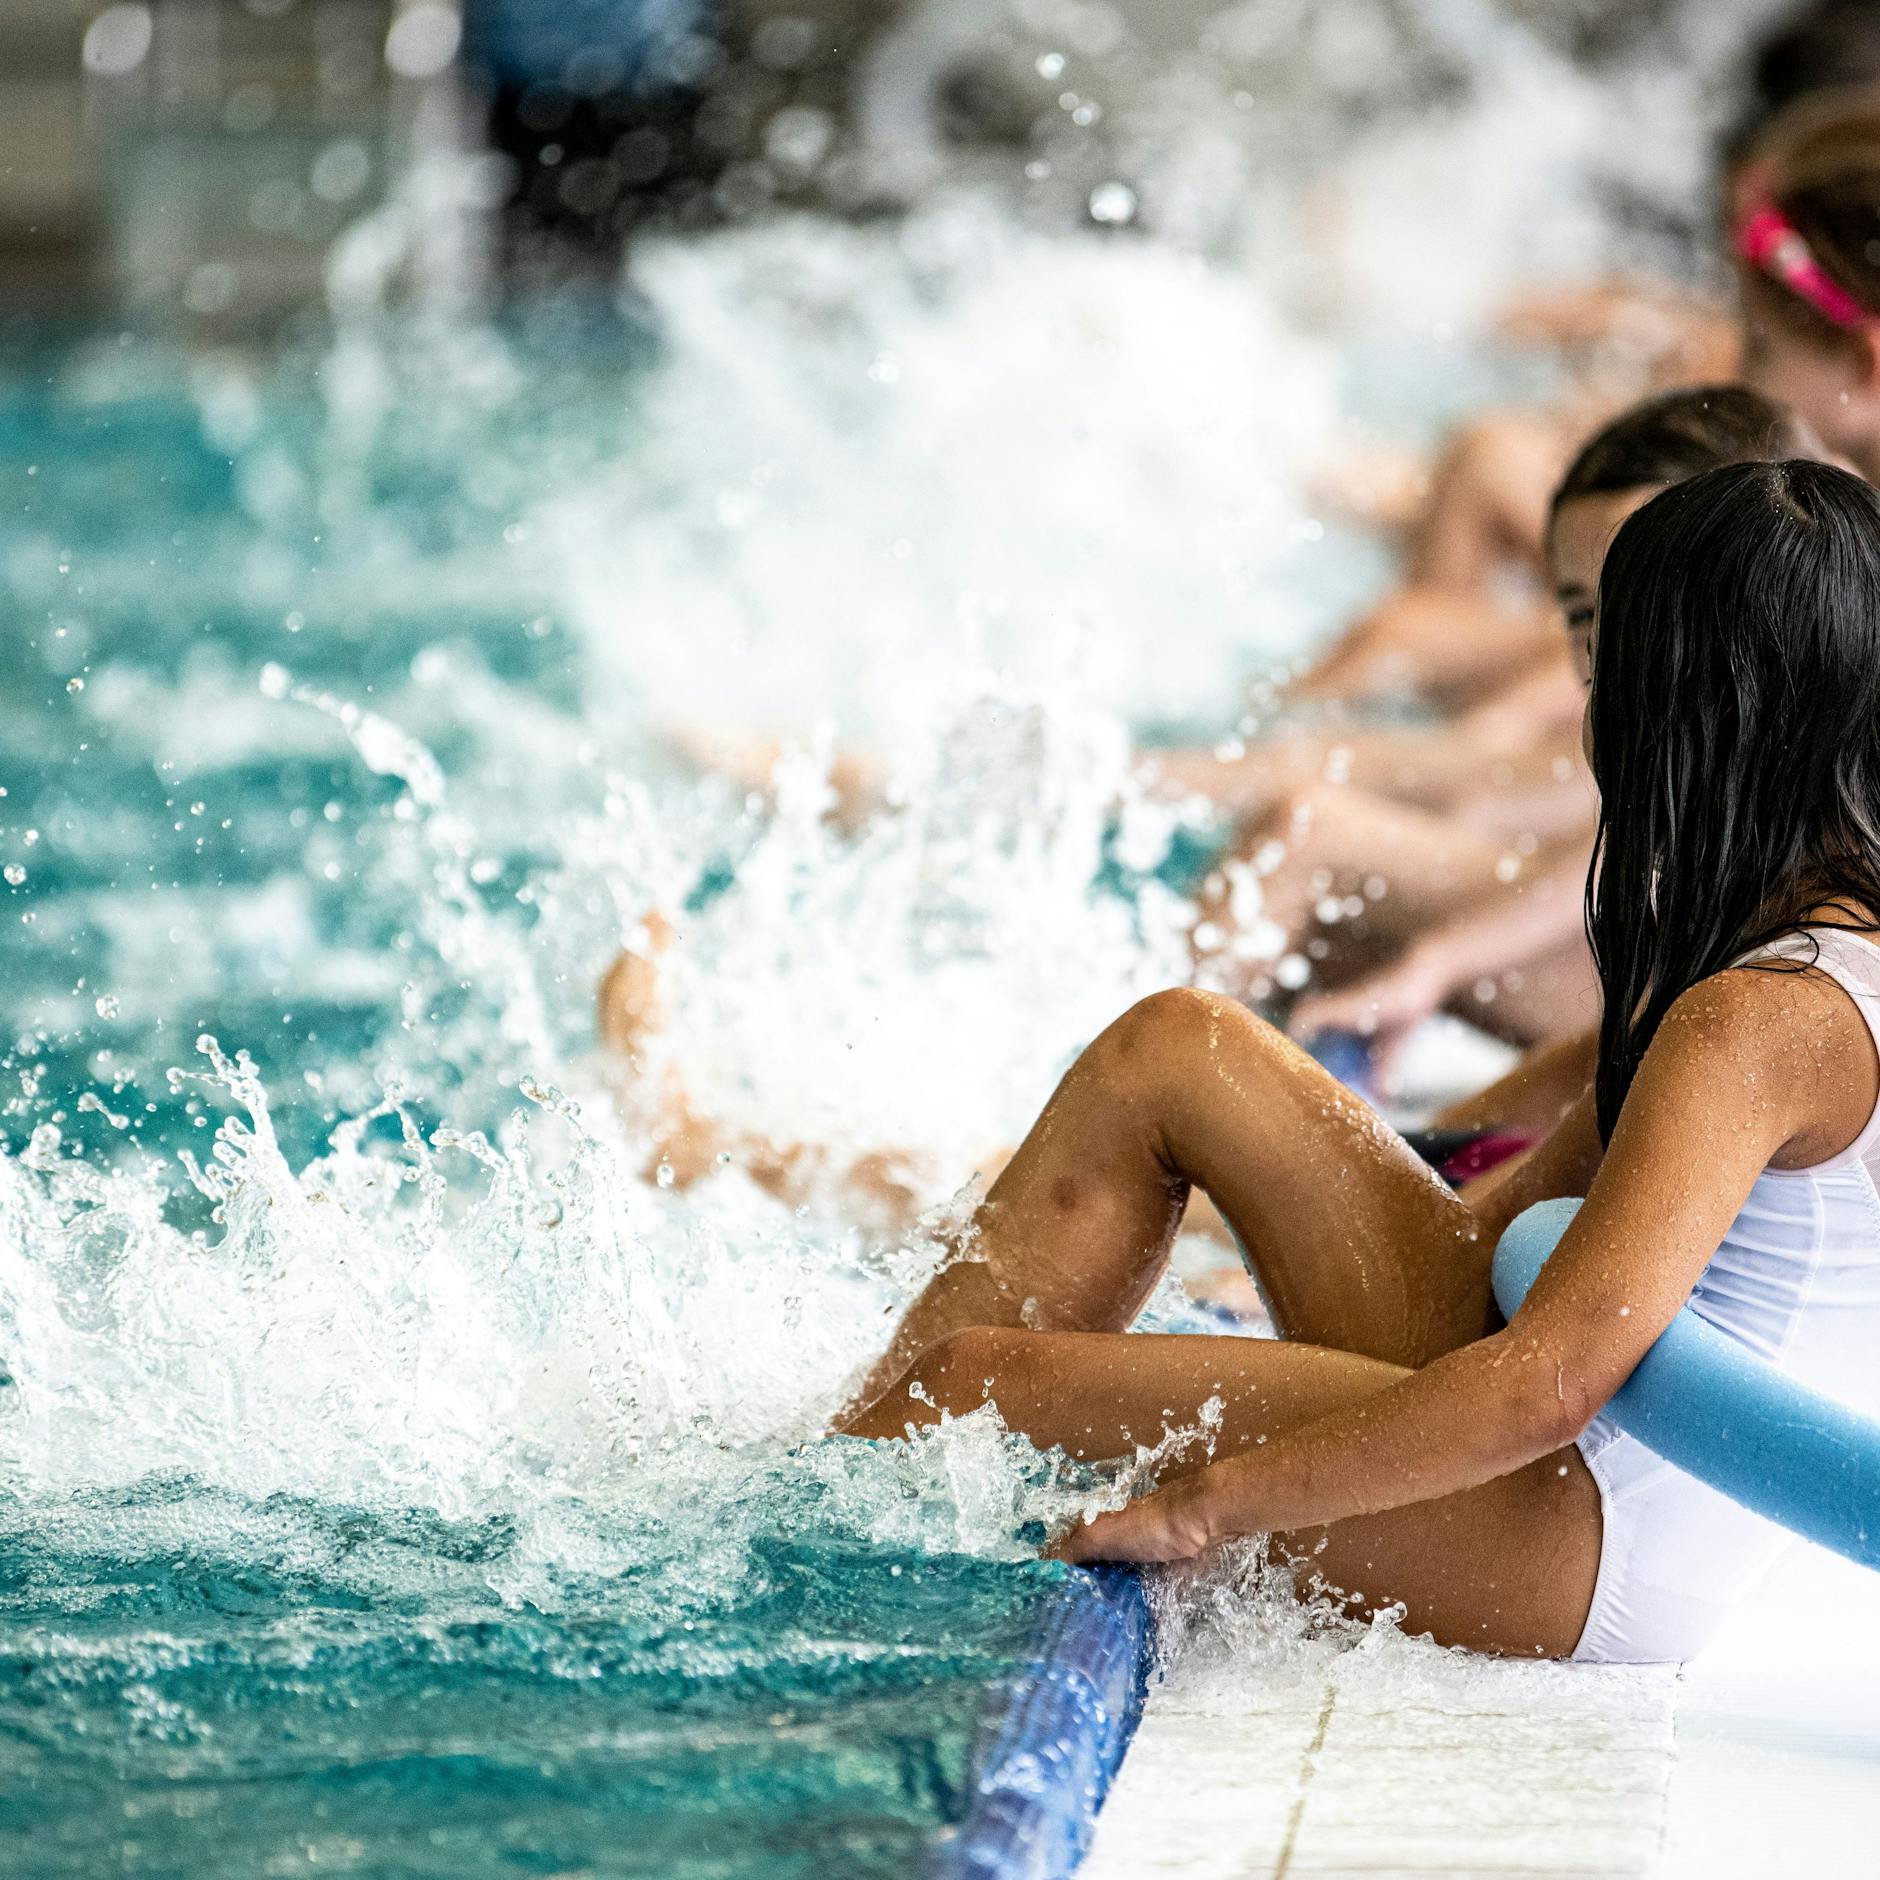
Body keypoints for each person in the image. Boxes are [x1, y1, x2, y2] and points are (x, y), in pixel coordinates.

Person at [840, 457, 1880, 1664]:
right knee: (1178, 1042)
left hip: (1585, 1542)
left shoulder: (1759, 1018)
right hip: (1573, 1464)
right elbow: (1504, 1239)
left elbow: (1545, 1383)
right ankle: (849, 1453)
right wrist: (1253, 1274)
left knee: (976, 1381)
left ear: (1677, 713)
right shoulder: (1799, 959)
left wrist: (1206, 1500)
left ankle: (799, 1558)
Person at [1198, 386, 1821, 1057]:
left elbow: (1619, 859)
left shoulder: (1762, 707)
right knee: (1343, 926)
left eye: (1634, 608)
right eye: (1582, 616)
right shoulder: (1723, 688)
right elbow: (1623, 843)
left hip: (1696, 1014)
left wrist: (1436, 959)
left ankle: (1157, 1088)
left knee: (1305, 830)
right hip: (1683, 992)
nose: (1604, 655)